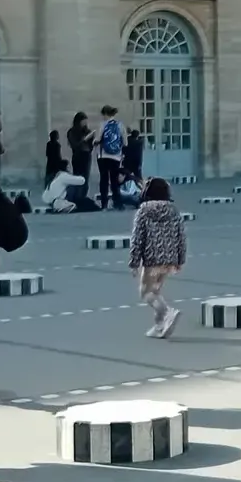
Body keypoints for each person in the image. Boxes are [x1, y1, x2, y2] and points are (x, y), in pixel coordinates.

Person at [129, 177, 187, 339]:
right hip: (170, 259)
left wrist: (134, 262)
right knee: (155, 291)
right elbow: (181, 236)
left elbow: (137, 238)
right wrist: (180, 259)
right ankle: (159, 325)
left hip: (152, 258)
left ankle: (167, 312)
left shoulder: (144, 211)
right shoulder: (173, 210)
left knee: (146, 292)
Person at [94, 104, 126, 210]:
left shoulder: (102, 125)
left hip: (103, 156)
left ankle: (104, 204)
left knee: (104, 180)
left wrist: (94, 142)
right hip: (116, 157)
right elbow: (125, 143)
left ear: (105, 114)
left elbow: (97, 139)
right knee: (114, 180)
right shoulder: (120, 125)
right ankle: (118, 203)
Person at [67, 111, 93, 180]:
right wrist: (84, 140)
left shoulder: (88, 131)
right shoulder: (72, 132)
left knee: (85, 178)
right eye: (83, 121)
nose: (85, 123)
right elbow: (74, 145)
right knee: (77, 177)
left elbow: (91, 146)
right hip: (77, 156)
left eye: (86, 121)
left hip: (86, 156)